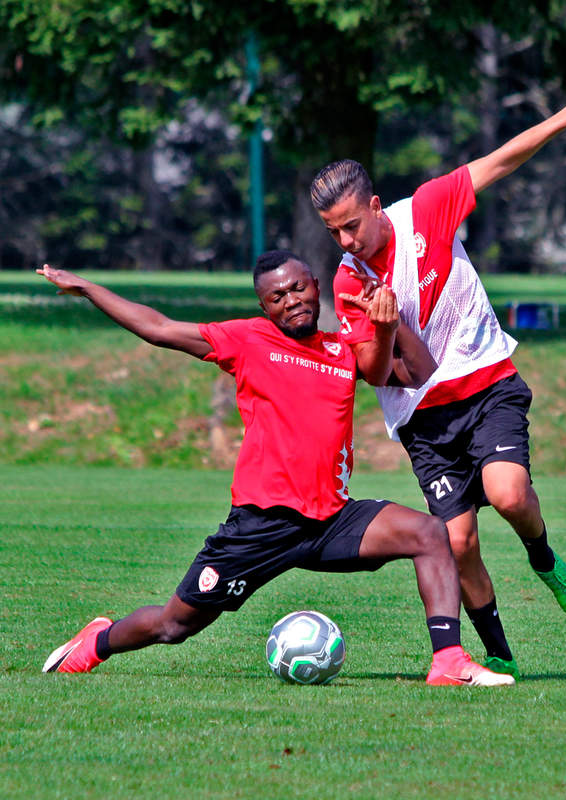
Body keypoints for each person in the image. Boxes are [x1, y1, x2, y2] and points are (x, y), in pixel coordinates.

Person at [38, 252, 513, 686]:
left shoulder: (341, 350)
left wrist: (387, 320)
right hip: (261, 524)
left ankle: (448, 661)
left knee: (430, 534)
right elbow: (159, 327)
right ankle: (97, 641)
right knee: (173, 625)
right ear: (265, 306)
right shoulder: (246, 339)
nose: (291, 301)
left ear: (316, 286)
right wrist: (88, 289)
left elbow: (417, 370)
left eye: (298, 288)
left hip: (331, 520)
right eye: (277, 296)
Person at [308, 62, 566, 679]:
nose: (344, 241)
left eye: (351, 225)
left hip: (487, 384)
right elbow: (373, 373)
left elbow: (501, 160)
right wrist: (384, 325)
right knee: (458, 543)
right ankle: (498, 650)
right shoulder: (350, 282)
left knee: (508, 494)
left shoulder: (426, 211)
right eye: (333, 232)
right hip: (423, 419)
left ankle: (543, 556)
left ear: (375, 206)